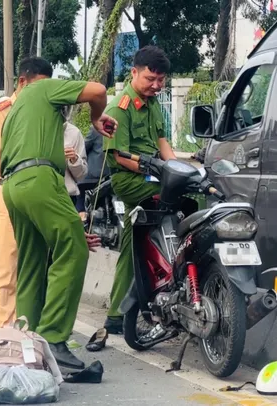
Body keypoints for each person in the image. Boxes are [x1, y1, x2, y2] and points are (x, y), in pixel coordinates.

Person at [0, 56, 114, 369]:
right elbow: (98, 89)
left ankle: (29, 342)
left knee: (33, 262)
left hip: (11, 186)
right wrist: (96, 118)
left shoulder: (12, 115)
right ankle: (54, 340)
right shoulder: (44, 88)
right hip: (39, 179)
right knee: (75, 248)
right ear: (31, 80)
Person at [0, 87, 102, 333]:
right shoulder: (4, 111)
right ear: (23, 83)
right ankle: (6, 329)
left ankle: (33, 328)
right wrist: (23, 177)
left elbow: (80, 173)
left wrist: (71, 160)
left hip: (57, 194)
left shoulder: (65, 128)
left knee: (45, 260)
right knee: (11, 260)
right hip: (21, 189)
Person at [101, 46, 176, 334]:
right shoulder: (118, 108)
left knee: (133, 247)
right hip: (131, 180)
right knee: (176, 198)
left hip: (153, 175)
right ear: (133, 73)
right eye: (150, 79)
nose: (156, 86)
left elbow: (162, 143)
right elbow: (118, 156)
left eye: (161, 80)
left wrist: (179, 171)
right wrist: (157, 172)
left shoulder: (154, 103)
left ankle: (118, 314)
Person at [75, 126, 110, 221]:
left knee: (78, 188)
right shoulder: (124, 130)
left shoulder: (96, 129)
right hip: (112, 176)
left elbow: (84, 148)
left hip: (94, 175)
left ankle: (81, 216)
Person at [62, 116, 88, 206]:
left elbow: (81, 175)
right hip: (36, 194)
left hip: (66, 196)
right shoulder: (33, 130)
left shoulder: (73, 133)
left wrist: (74, 159)